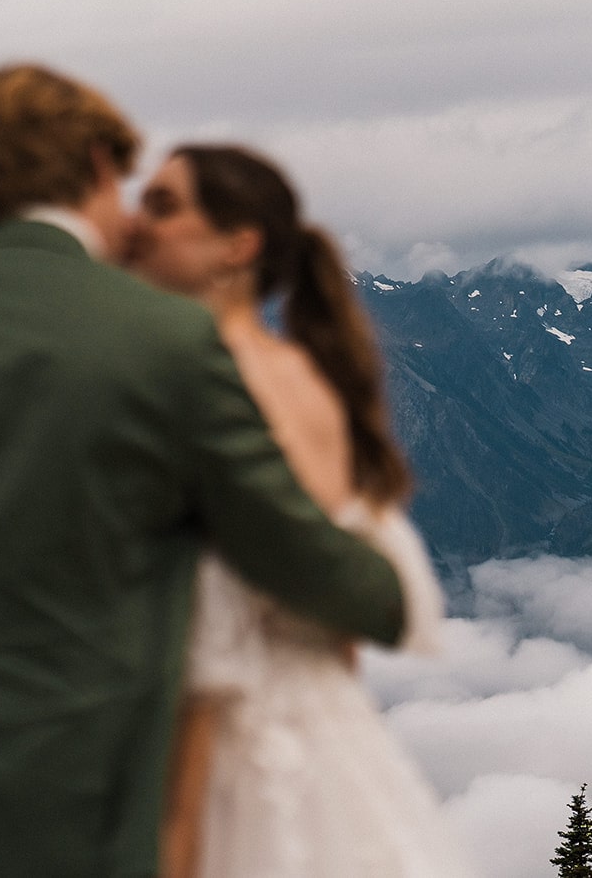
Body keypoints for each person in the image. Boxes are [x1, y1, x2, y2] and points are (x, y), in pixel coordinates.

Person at [0, 64, 406, 878]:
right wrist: (388, 592)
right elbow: (280, 539)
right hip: (70, 814)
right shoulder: (161, 338)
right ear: (101, 164)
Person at [125, 144, 476, 878]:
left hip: (211, 750)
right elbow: (331, 604)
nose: (137, 222)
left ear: (238, 244)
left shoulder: (198, 380)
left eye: (162, 205)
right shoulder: (309, 381)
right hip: (325, 739)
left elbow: (204, 631)